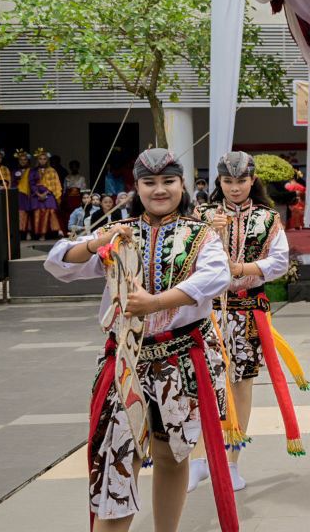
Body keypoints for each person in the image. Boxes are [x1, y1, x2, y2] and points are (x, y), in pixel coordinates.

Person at [43, 149, 238, 532]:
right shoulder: (120, 232)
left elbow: (216, 277)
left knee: (172, 456)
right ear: (137, 186)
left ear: (182, 184)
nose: (159, 190)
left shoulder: (200, 235)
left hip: (179, 363)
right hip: (126, 364)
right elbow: (59, 262)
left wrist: (156, 303)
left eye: (168, 181)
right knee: (116, 459)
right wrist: (98, 243)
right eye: (149, 182)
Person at [187, 152, 306, 493]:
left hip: (247, 310)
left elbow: (279, 262)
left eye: (241, 181)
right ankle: (198, 459)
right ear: (219, 182)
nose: (235, 188)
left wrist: (242, 269)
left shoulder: (267, 218)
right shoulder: (202, 215)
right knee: (203, 383)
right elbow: (185, 261)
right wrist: (207, 234)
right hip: (208, 312)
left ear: (252, 180)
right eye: (228, 181)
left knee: (242, 384)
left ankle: (231, 460)